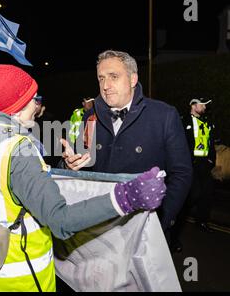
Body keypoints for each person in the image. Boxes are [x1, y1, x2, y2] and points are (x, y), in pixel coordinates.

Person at [0, 64, 167, 292]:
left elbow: (12, 189)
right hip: (21, 282)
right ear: (18, 106)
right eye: (33, 98)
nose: (37, 105)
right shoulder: (19, 151)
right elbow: (61, 221)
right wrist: (126, 197)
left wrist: (62, 167)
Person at [60, 50, 193, 247]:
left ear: (132, 79)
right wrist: (68, 165)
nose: (105, 86)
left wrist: (162, 219)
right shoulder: (90, 118)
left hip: (144, 229)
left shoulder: (164, 115)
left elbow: (181, 173)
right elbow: (80, 165)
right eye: (101, 78)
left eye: (114, 77)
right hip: (99, 229)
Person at [183, 98, 216, 233]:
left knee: (207, 193)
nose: (205, 107)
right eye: (203, 105)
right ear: (194, 105)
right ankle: (177, 217)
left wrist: (211, 161)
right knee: (193, 193)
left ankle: (202, 221)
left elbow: (211, 142)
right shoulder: (183, 121)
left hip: (205, 163)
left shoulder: (207, 122)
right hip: (191, 163)